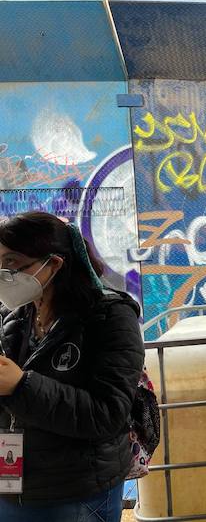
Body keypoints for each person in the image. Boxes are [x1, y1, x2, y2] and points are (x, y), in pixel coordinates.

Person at [0, 211, 144, 521]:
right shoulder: (13, 319)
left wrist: (21, 386)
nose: (3, 274)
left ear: (54, 263)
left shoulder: (111, 318)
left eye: (12, 263)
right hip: (13, 485)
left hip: (76, 492)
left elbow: (107, 414)